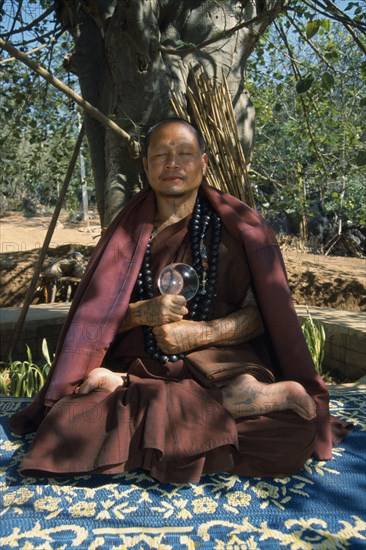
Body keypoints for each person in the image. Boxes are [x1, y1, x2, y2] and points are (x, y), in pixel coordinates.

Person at [10, 119, 350, 483]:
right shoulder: (124, 235)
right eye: (161, 154)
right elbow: (94, 321)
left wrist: (202, 333)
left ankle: (134, 396)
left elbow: (260, 315)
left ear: (203, 163)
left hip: (219, 365)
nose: (173, 163)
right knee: (66, 427)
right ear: (146, 165)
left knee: (291, 433)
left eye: (185, 154)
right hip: (145, 362)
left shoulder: (239, 228)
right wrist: (140, 313)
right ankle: (229, 402)